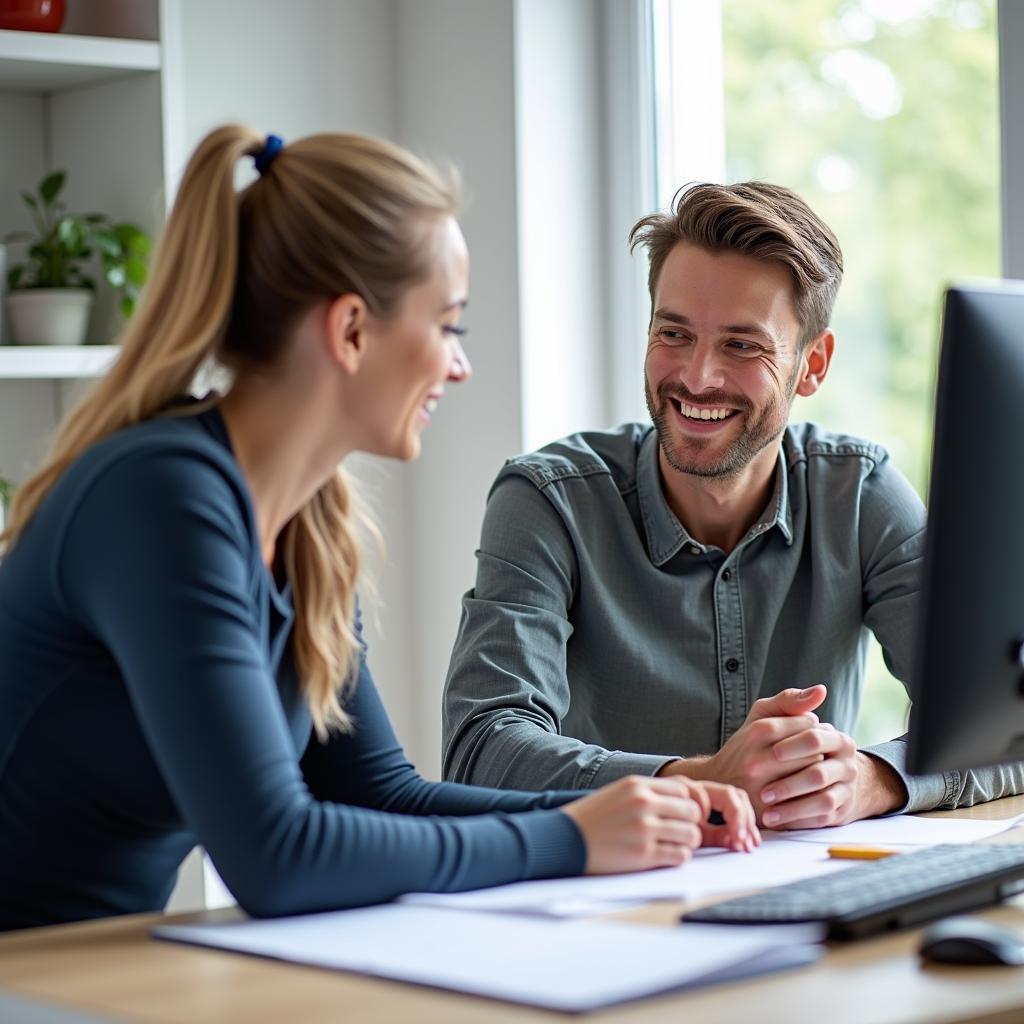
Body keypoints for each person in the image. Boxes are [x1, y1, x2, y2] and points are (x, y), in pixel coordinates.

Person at [0, 127, 759, 933]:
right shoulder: (161, 499)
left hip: (79, 972)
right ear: (352, 330)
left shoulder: (307, 528)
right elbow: (276, 855)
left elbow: (376, 794)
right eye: (449, 326)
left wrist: (635, 805)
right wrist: (572, 839)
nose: (459, 367)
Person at [442, 181, 1024, 828]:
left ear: (813, 364)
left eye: (742, 345)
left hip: (803, 896)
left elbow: (1009, 724)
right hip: (605, 893)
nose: (696, 377)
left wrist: (872, 778)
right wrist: (697, 782)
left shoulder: (859, 494)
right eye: (673, 333)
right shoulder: (549, 501)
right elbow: (480, 747)